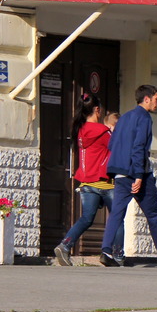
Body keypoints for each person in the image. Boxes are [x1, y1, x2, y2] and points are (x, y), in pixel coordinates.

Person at [100, 84, 157, 267]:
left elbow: (112, 144)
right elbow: (139, 147)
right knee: (153, 215)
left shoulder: (124, 118)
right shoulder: (144, 118)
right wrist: (138, 175)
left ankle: (106, 252)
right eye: (156, 99)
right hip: (139, 174)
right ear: (146, 99)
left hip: (120, 172)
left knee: (117, 213)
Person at [53, 93, 125, 266]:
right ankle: (117, 255)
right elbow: (118, 149)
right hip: (105, 183)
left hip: (86, 183)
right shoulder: (102, 131)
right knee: (117, 218)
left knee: (86, 218)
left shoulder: (79, 130)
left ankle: (65, 245)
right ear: (97, 110)